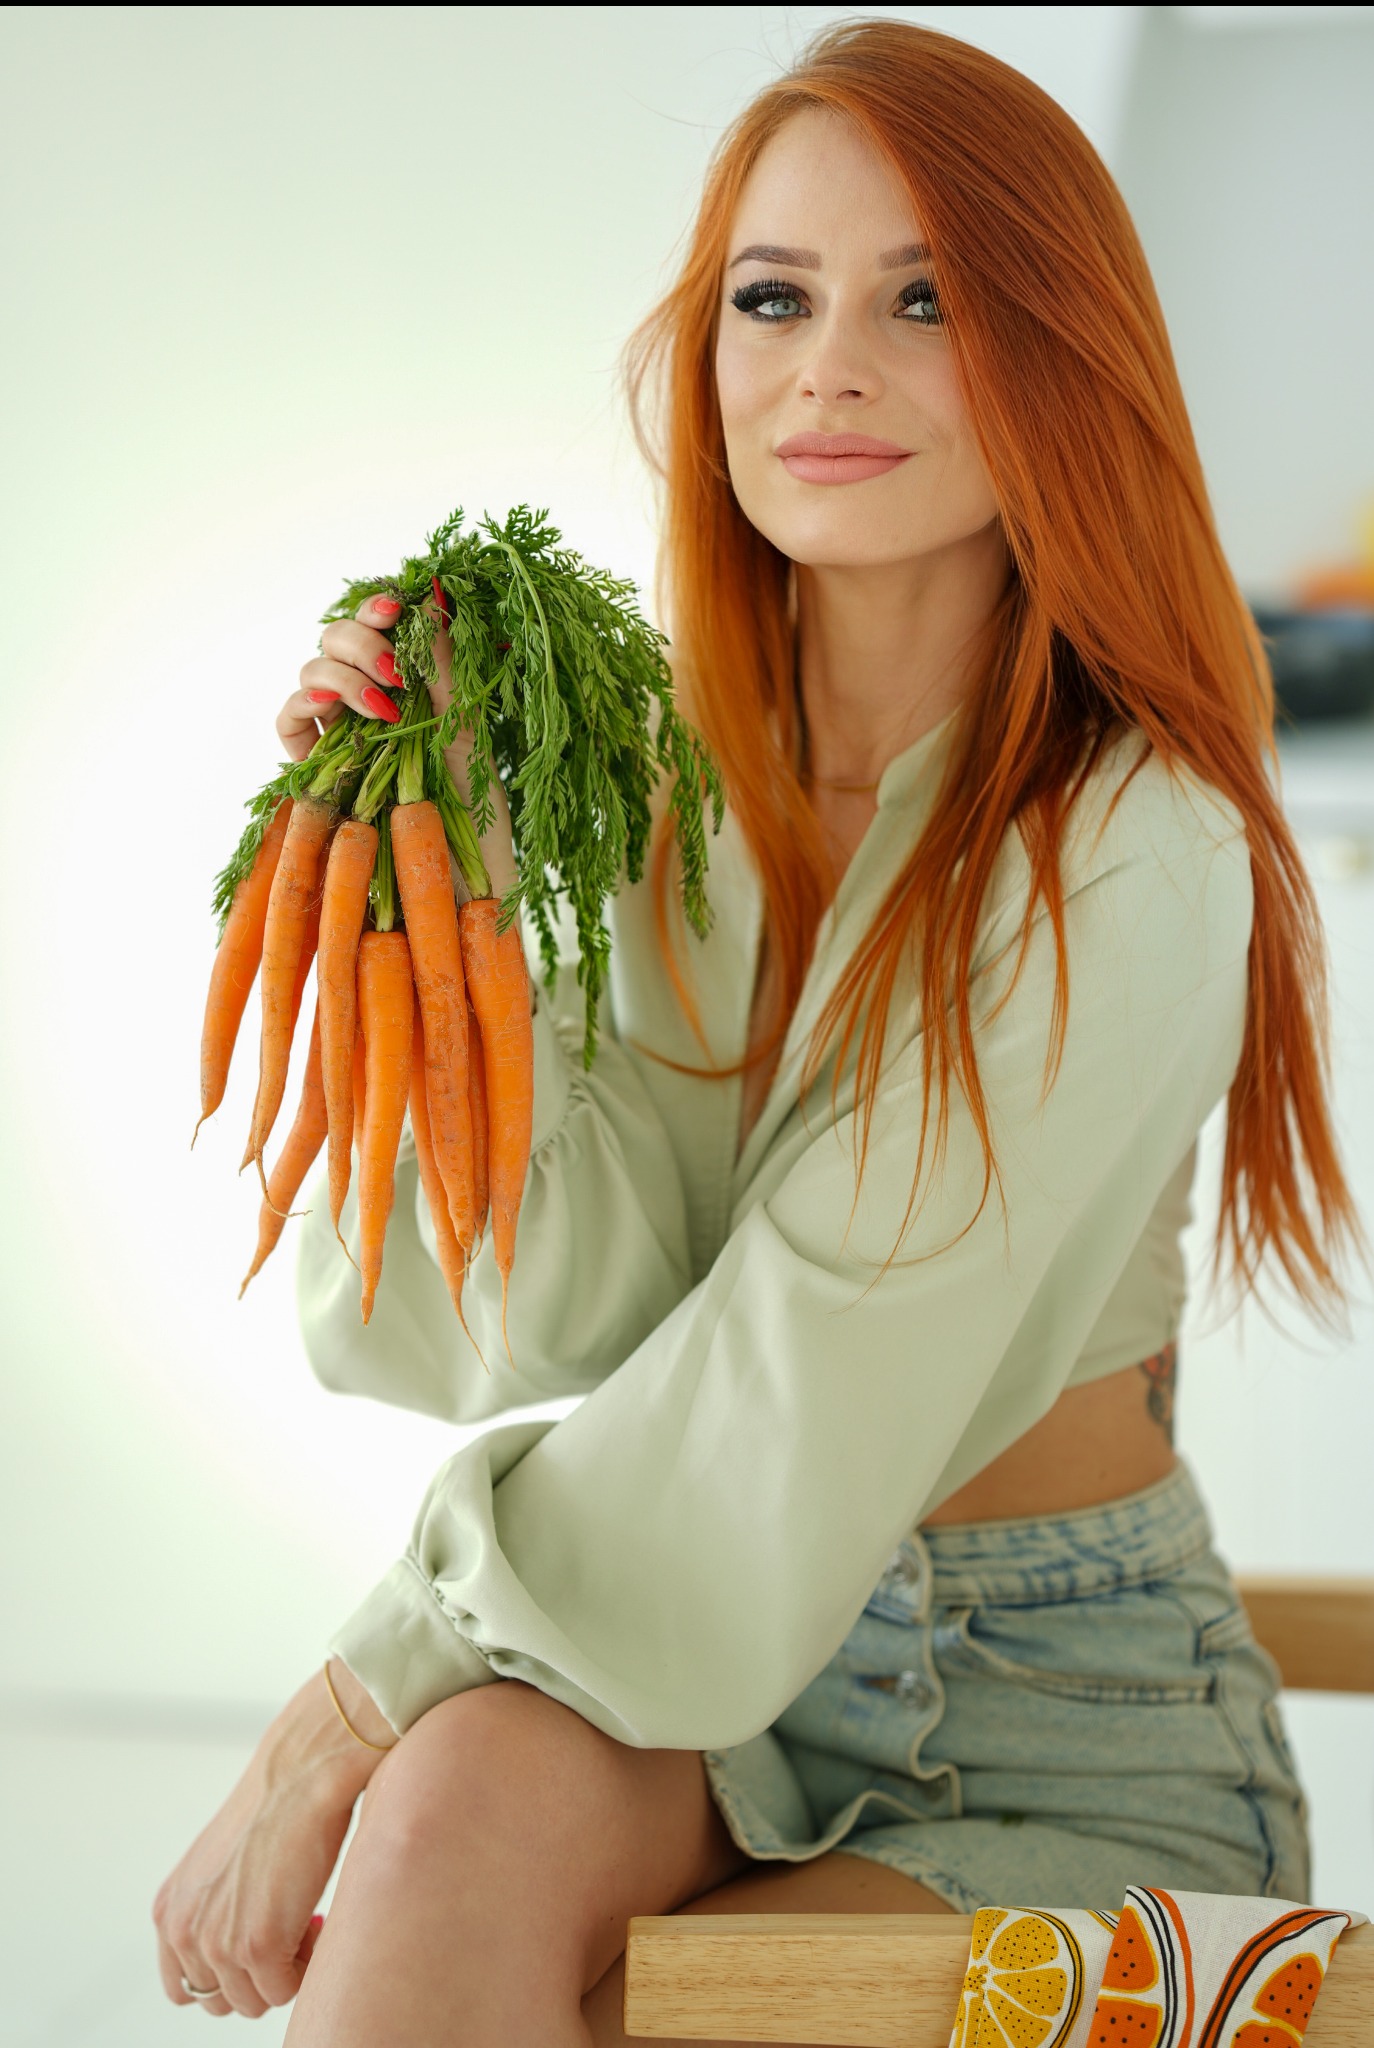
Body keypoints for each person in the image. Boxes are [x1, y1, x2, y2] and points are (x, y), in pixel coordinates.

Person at [153, 20, 1365, 2046]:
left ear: (1062, 358)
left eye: (928, 301)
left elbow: (802, 1366)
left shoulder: (1136, 842)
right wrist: (426, 899)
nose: (829, 366)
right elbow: (552, 1311)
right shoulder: (653, 779)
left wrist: (351, 1696)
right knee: (447, 1825)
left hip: (1069, 1715)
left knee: (576, 1940)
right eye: (773, 298)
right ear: (703, 355)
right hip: (714, 1678)